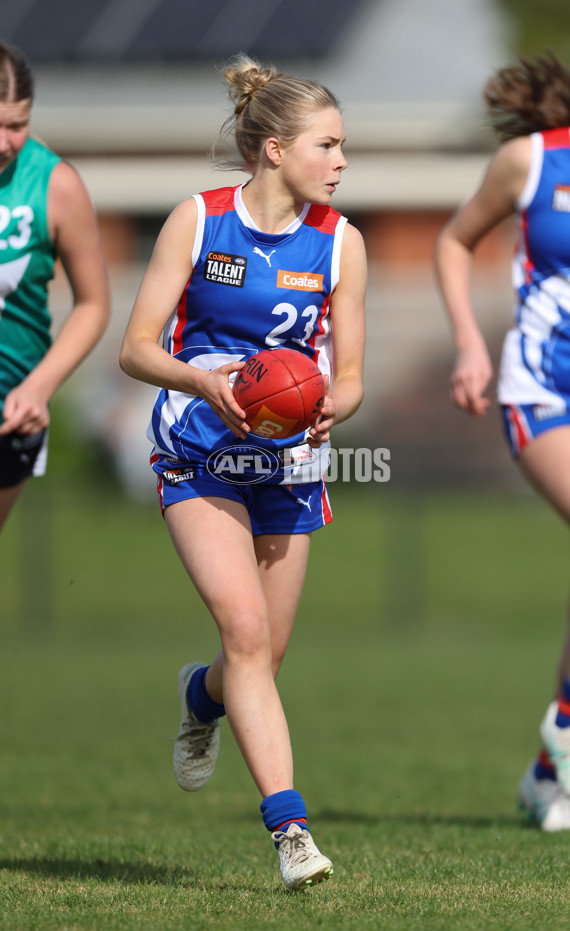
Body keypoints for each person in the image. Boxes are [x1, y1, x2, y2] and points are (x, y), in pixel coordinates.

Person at [119, 53, 366, 889]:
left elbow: (354, 371)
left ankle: (201, 699)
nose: (341, 162)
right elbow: (137, 347)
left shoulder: (343, 242)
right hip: (198, 449)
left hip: (289, 461)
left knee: (262, 654)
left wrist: (338, 402)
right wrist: (201, 379)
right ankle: (291, 832)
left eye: (343, 147)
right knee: (248, 634)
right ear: (273, 150)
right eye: (327, 145)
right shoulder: (197, 220)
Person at [434, 46, 570, 832]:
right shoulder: (532, 162)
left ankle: (544, 776)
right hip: (543, 389)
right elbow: (453, 241)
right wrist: (470, 343)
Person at [0, 41, 110, 530]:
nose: (5, 141)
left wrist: (37, 388)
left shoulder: (55, 184)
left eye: (17, 125)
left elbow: (93, 303)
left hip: (9, 407)